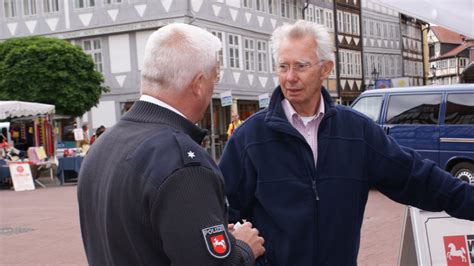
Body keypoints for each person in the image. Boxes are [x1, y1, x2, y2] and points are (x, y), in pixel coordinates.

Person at [218, 20, 474, 265]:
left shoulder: (357, 131)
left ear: (326, 69)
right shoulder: (249, 138)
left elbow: (417, 178)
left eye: (301, 66)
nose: (290, 77)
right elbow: (220, 214)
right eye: (283, 67)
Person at [77, 23, 265, 265]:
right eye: (213, 80)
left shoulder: (104, 144)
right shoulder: (181, 162)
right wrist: (243, 247)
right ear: (197, 84)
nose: (212, 90)